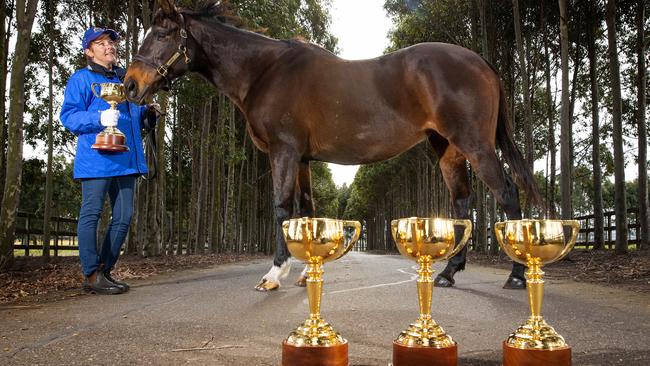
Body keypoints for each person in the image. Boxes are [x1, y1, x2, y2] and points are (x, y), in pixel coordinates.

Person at [60, 27, 158, 294]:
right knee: (91, 214)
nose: (109, 47)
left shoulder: (126, 78)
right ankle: (91, 275)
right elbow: (68, 117)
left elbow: (132, 115)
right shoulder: (81, 80)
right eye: (101, 43)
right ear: (89, 51)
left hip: (126, 158)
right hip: (96, 158)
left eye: (111, 43)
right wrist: (98, 119)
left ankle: (104, 270)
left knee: (124, 217)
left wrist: (147, 115)